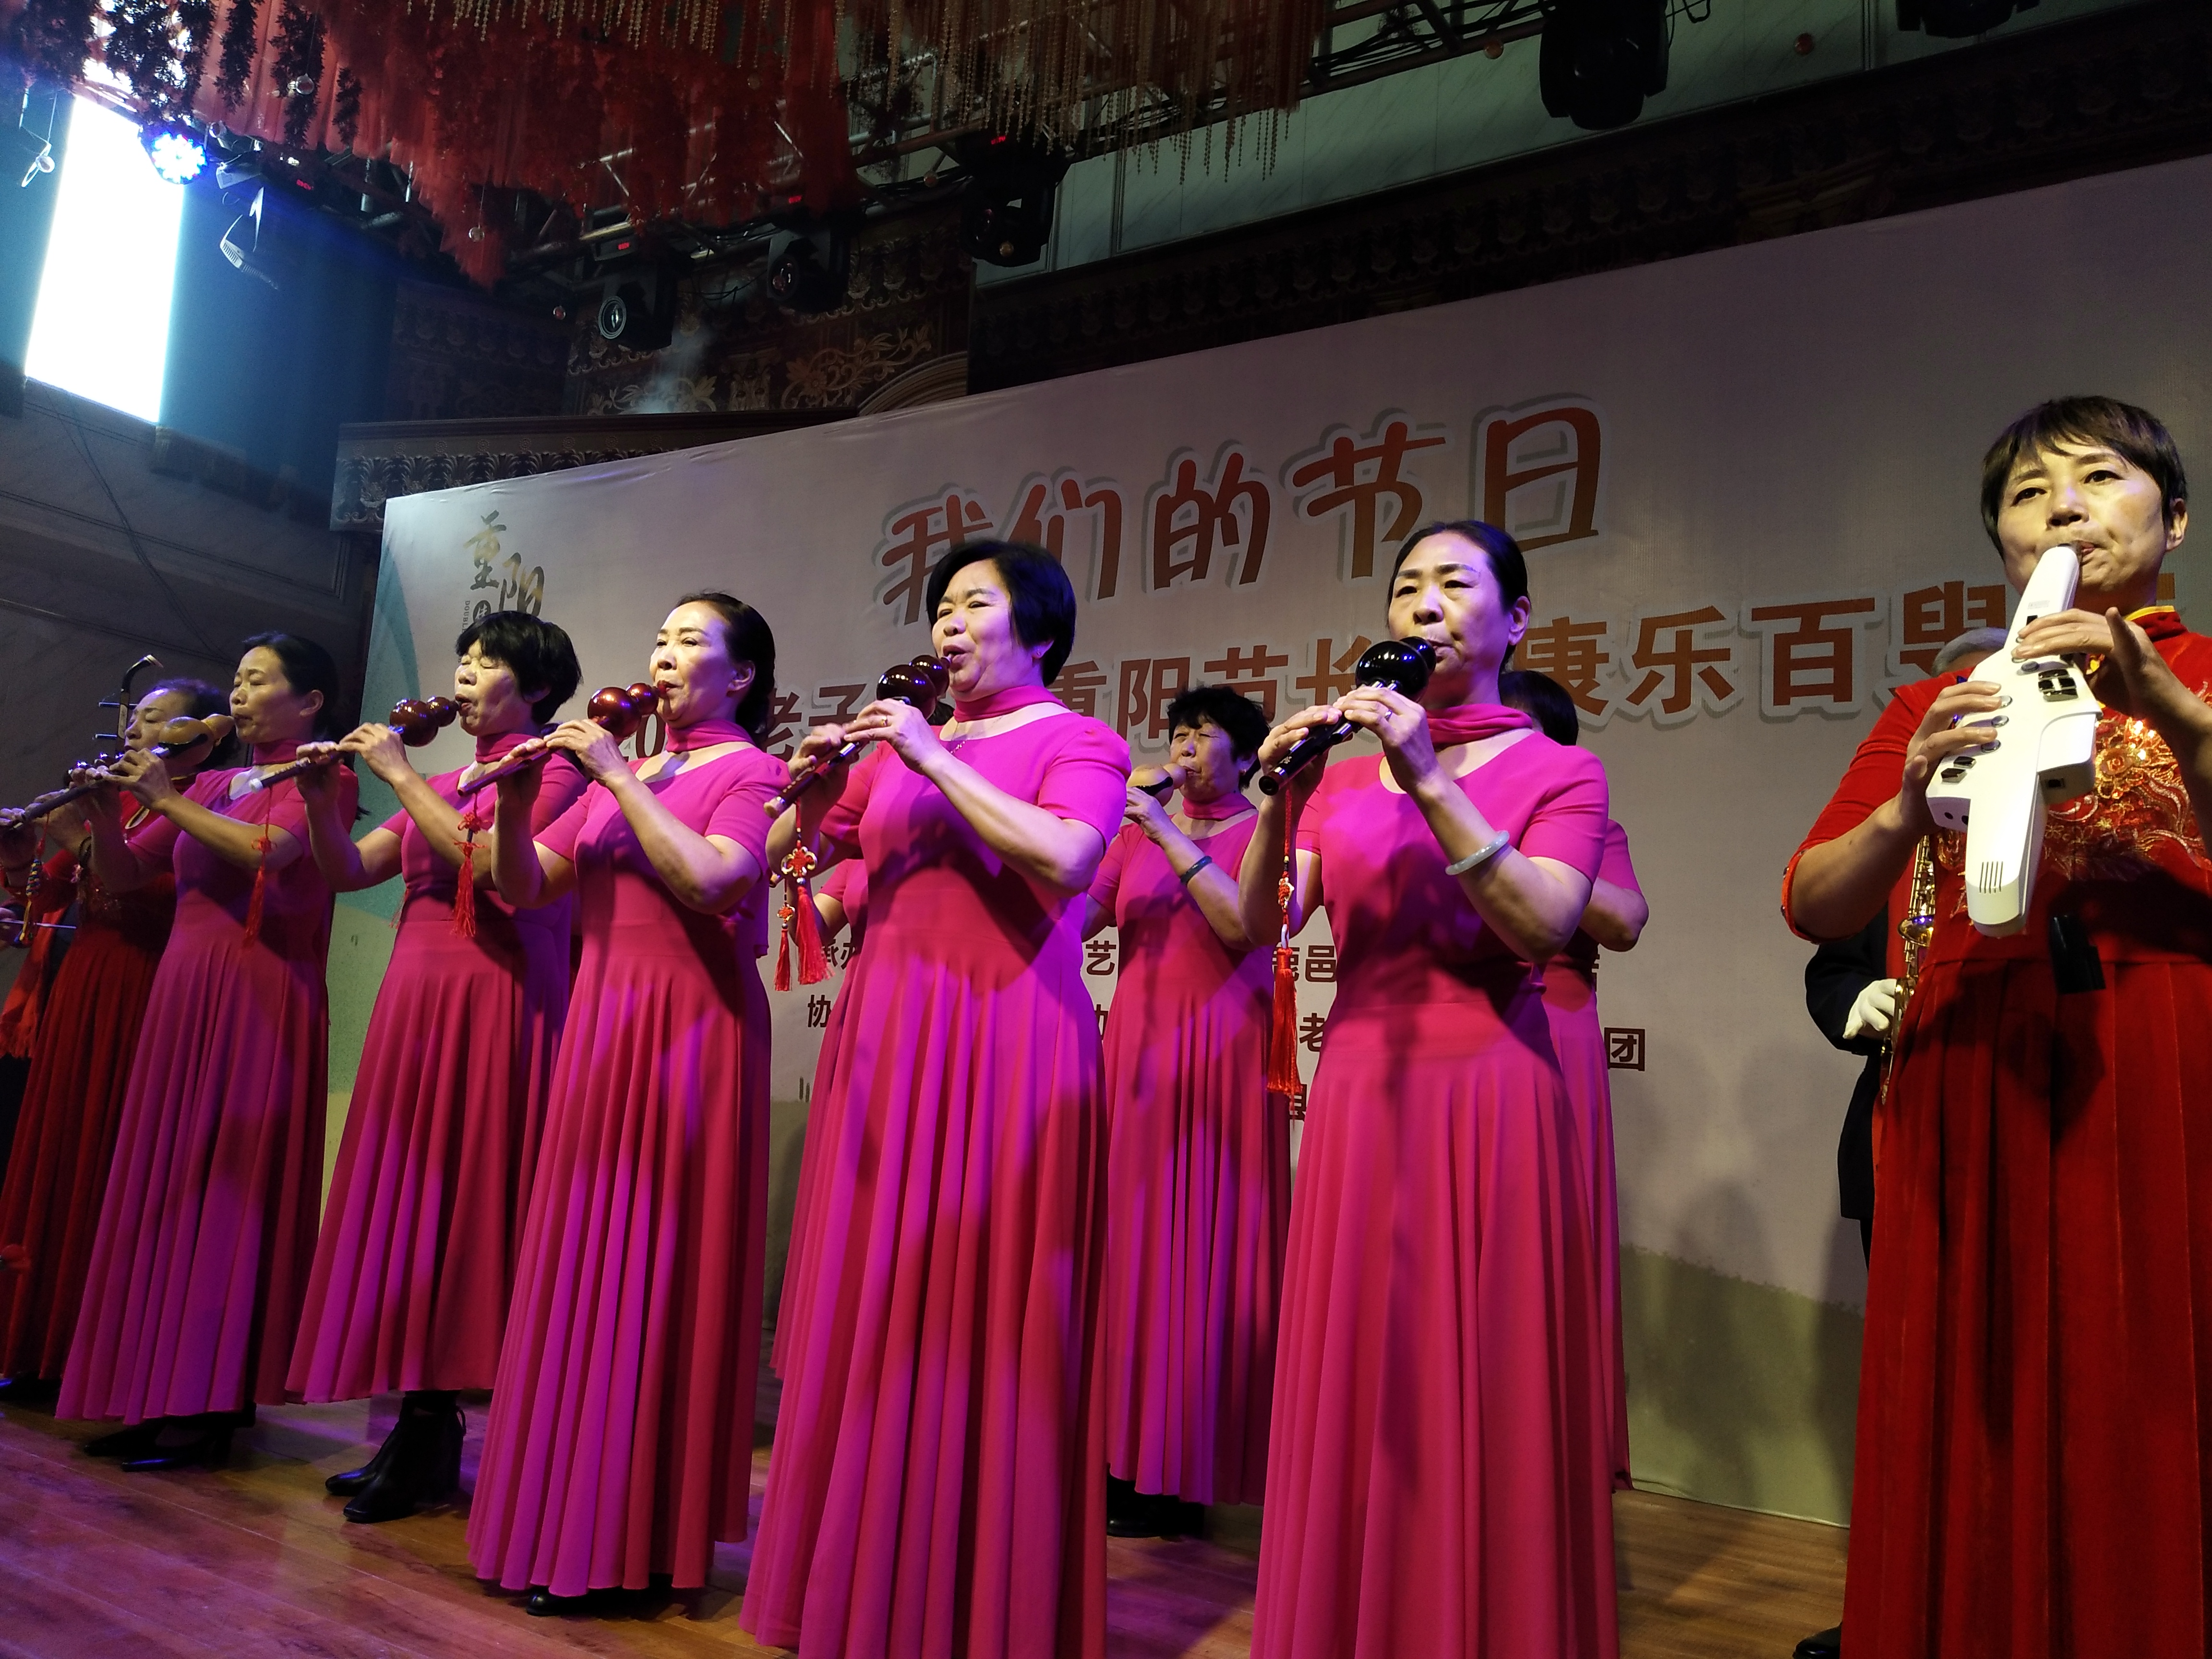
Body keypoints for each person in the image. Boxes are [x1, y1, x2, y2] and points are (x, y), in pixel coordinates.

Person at [1785, 397, 2212, 1657]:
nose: (2064, 506)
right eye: (2029, 493)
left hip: (2163, 1057)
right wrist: (1907, 803)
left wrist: (2169, 708)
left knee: (2151, 1383)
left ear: (2175, 520)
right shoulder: (1939, 698)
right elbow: (1815, 902)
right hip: (1967, 1064)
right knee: (1977, 1391)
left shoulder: (2200, 673)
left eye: (2100, 477)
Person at [744, 541, 1130, 1659]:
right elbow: (796, 868)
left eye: (975, 605)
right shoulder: (898, 747)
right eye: (941, 608)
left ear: (1040, 631)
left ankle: (974, 1598)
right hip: (887, 1041)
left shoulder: (1078, 741)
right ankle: (856, 1579)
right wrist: (809, 795)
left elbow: (1067, 858)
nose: (949, 626)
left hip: (1006, 1039)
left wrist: (929, 756)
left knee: (983, 1316)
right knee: (869, 1303)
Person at [1240, 521, 1617, 1659]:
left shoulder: (1562, 771)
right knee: (1361, 1373)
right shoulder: (1345, 777)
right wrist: (1279, 799)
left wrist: (1429, 777)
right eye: (1407, 586)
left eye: (1456, 584)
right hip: (1361, 1090)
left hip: (1493, 1091)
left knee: (1484, 1374)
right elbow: (1260, 925)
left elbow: (1542, 925)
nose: (1425, 604)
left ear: (1515, 619)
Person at [467, 592, 785, 1613]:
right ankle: (565, 1518)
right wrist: (517, 798)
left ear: (740, 676)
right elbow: (527, 886)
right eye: (660, 638)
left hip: (689, 1036)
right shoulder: (634, 772)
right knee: (582, 1273)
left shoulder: (753, 770)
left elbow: (714, 881)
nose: (664, 654)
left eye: (691, 641)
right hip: (602, 1030)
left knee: (656, 1273)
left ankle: (638, 1539)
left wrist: (610, 773)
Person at [285, 612, 586, 1523]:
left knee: (467, 1203)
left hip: (498, 998)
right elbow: (350, 870)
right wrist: (319, 797)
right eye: (464, 658)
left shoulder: (553, 770)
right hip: (417, 1000)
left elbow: (489, 867)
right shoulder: (451, 780)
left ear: (537, 688)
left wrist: (400, 775)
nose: (464, 674)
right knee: (411, 1200)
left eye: (487, 662)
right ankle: (416, 1426)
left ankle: (432, 1426)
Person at [57, 634, 353, 1470]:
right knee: (163, 1187)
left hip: (259, 996)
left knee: (227, 1196)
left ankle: (211, 1401)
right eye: (238, 682)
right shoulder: (216, 782)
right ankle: (153, 1392)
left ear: (310, 702)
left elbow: (270, 853)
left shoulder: (323, 776)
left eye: (259, 681)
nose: (242, 695)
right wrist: (101, 810)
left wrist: (165, 796)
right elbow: (124, 876)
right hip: (184, 992)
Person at [1081, 684, 1285, 1540]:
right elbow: (1076, 918)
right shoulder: (1133, 831)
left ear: (1244, 753)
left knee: (1199, 1259)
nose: (1186, 748)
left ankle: (1183, 1469)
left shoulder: (1265, 829)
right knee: (1127, 1255)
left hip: (1222, 1058)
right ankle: (1112, 1455)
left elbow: (1244, 929)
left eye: (1204, 734)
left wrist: (1165, 830)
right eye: (1179, 733)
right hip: (1135, 1052)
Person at [0, 680, 229, 1401]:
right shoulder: (121, 799)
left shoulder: (197, 804)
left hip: (142, 988)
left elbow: (147, 898)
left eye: (153, 721)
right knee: (57, 1151)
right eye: (133, 720)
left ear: (195, 737)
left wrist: (80, 834)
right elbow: (49, 898)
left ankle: (82, 1357)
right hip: (82, 988)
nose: (133, 732)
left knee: (103, 1159)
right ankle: (29, 1345)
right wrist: (21, 856)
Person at [1498, 667, 1648, 1492]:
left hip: (1554, 1028)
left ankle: (1550, 1450)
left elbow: (1624, 921)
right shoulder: (1428, 804)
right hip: (1452, 1033)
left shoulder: (1586, 815)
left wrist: (1530, 854)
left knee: (1546, 1249)